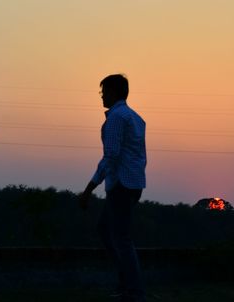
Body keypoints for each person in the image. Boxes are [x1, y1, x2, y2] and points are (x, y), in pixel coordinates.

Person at [79, 74, 147, 302]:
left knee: (121, 238)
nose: (101, 96)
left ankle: (134, 291)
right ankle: (126, 283)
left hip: (121, 185)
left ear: (114, 92)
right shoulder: (136, 118)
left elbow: (111, 156)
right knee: (107, 230)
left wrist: (89, 187)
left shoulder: (117, 118)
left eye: (104, 91)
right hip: (133, 184)